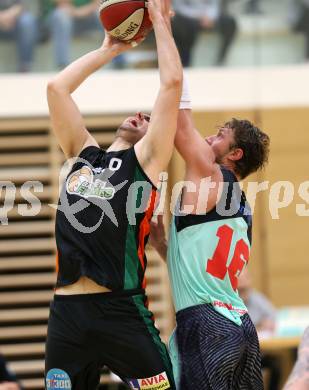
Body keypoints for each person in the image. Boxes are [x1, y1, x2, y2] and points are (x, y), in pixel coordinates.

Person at [45, 0, 182, 388]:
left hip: (121, 310)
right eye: (140, 112)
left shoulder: (146, 164)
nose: (141, 115)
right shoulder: (81, 155)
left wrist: (159, 23)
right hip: (67, 313)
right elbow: (57, 88)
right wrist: (110, 49)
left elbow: (171, 85)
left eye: (149, 120)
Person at [150, 76, 270, 388]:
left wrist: (163, 30)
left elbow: (179, 116)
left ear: (235, 154)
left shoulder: (210, 174)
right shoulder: (243, 211)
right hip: (242, 325)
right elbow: (206, 269)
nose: (208, 139)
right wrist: (164, 247)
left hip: (207, 325)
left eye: (219, 136)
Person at [41, 0, 119, 69]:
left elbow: (98, 3)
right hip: (66, 15)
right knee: (60, 16)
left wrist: (80, 12)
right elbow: (62, 4)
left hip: (87, 14)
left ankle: (118, 60)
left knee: (106, 12)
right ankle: (62, 65)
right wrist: (76, 12)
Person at [238, 268, 281, 390]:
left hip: (257, 354)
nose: (244, 294)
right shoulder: (228, 303)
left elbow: (273, 315)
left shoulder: (256, 298)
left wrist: (269, 323)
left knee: (276, 365)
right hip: (238, 357)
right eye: (240, 290)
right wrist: (259, 327)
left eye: (246, 289)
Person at [172, 0, 237, 66]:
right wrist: (198, 16)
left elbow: (214, 4)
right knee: (184, 26)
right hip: (188, 17)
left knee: (230, 23)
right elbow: (178, 7)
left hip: (208, 18)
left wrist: (210, 17)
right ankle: (185, 63)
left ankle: (221, 60)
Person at [0, 0, 36, 72]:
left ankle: (25, 67)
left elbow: (22, 5)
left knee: (27, 21)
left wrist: (9, 15)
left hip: (15, 21)